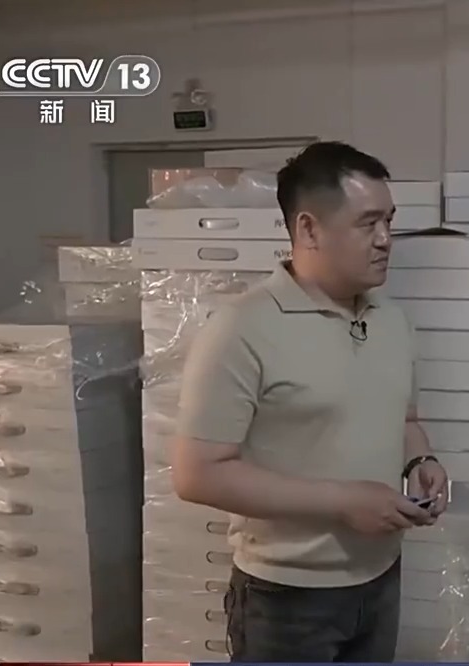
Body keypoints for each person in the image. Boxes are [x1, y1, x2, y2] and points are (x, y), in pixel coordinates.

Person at [170, 142, 449, 662]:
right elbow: (197, 475)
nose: (386, 239)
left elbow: (404, 417)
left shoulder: (391, 319)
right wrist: (343, 501)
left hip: (381, 580)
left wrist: (421, 459)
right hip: (286, 599)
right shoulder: (241, 329)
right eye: (367, 223)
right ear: (309, 229)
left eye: (389, 221)